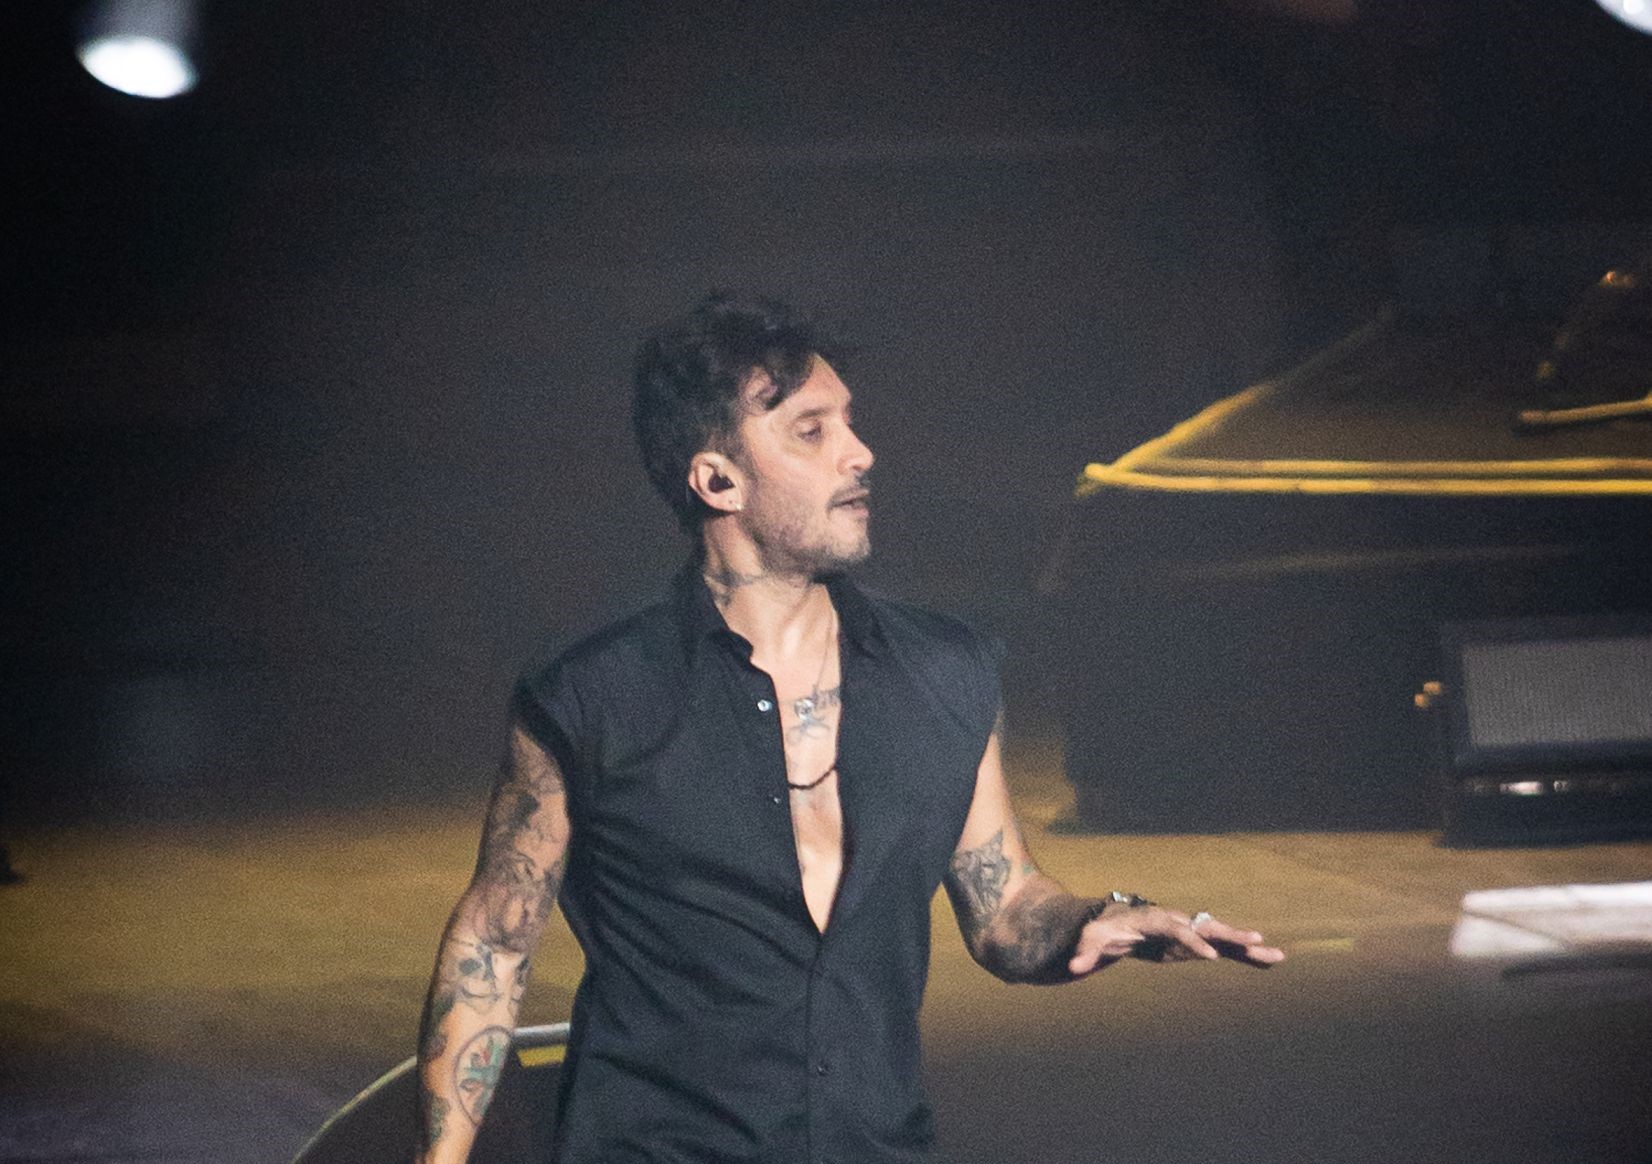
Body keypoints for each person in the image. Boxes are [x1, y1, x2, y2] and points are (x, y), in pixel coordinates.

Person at [412, 292, 1284, 1164]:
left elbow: (1004, 907)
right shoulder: (594, 695)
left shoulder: (943, 673)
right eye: (811, 431)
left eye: (849, 423)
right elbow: (495, 941)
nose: (859, 453)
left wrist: (1098, 918)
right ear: (717, 479)